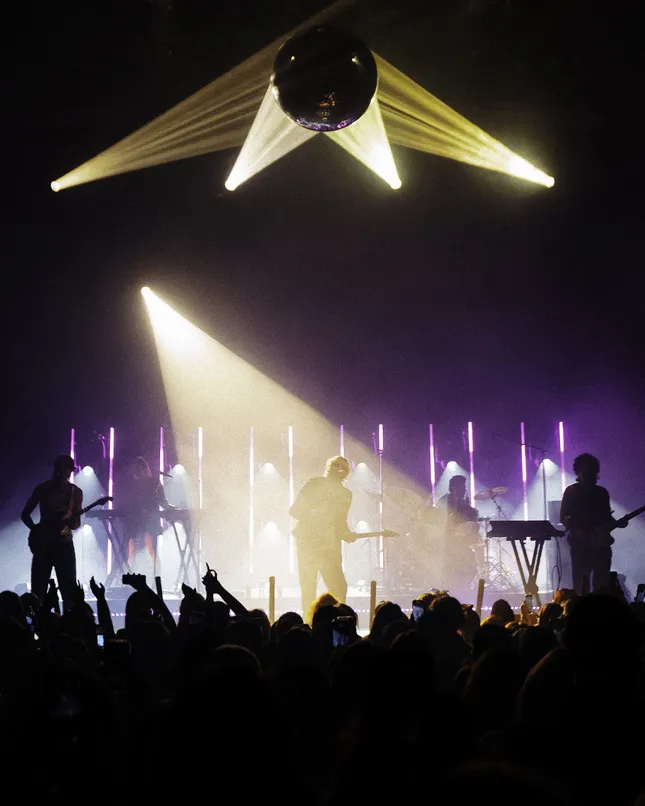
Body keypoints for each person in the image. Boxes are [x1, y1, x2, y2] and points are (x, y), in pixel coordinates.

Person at [290, 455, 355, 616]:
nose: (339, 469)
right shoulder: (314, 484)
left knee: (339, 587)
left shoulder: (346, 494)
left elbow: (341, 521)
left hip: (330, 547)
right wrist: (314, 516)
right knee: (308, 587)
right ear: (329, 467)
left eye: (343, 467)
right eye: (336, 465)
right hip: (308, 543)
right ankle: (308, 622)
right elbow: (295, 510)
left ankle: (338, 620)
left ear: (347, 472)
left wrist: (346, 533)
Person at [20, 454, 83, 609]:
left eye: (67, 469)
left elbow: (76, 523)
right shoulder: (42, 489)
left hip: (63, 545)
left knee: (68, 593)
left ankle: (66, 620)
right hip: (45, 546)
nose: (64, 473)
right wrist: (36, 531)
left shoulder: (75, 492)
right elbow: (25, 514)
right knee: (38, 593)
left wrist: (72, 522)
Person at [560, 453, 628, 596]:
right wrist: (578, 532)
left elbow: (607, 517)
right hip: (581, 546)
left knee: (601, 585)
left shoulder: (601, 493)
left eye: (593, 473)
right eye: (587, 473)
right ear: (579, 473)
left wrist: (618, 523)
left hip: (600, 545)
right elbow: (564, 517)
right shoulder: (572, 492)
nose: (591, 477)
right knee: (581, 586)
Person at [122, 457, 173, 576]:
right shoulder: (154, 483)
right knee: (151, 551)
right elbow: (163, 502)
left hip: (137, 522)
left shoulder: (135, 485)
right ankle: (156, 578)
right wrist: (173, 509)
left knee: (136, 552)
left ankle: (133, 577)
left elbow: (128, 503)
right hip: (148, 521)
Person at [439, 474, 479, 596]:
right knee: (455, 567)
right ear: (454, 488)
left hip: (461, 541)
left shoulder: (463, 502)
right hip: (448, 541)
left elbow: (470, 517)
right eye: (463, 487)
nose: (465, 490)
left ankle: (463, 588)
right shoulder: (445, 501)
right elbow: (440, 520)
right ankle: (455, 590)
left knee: (471, 564)